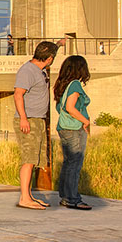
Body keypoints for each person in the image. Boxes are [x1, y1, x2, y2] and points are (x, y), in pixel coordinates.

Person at [12, 41, 58, 210]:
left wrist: (60, 42)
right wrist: (24, 118)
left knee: (35, 159)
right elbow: (18, 95)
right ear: (50, 58)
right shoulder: (28, 71)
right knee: (28, 159)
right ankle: (24, 198)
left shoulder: (39, 70)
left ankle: (29, 195)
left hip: (37, 119)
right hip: (28, 119)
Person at [53, 55, 93, 210]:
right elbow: (70, 107)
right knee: (75, 163)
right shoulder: (75, 84)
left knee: (68, 163)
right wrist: (86, 121)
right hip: (74, 128)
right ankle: (72, 198)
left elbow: (61, 107)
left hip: (64, 127)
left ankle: (66, 196)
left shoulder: (64, 85)